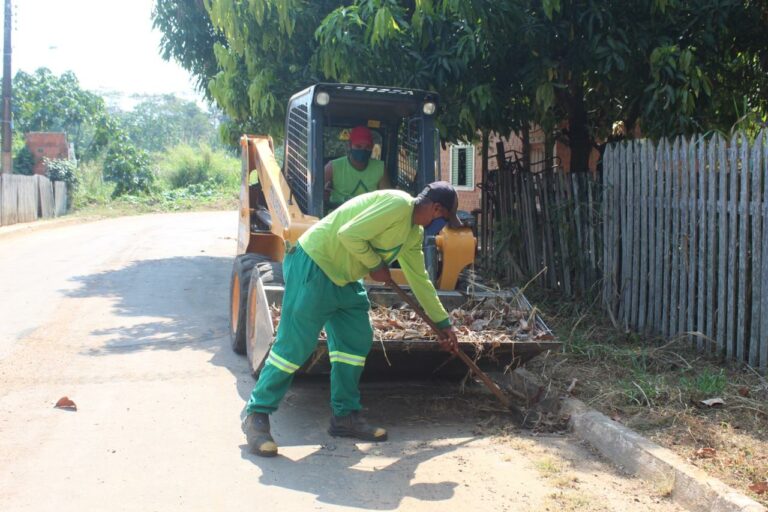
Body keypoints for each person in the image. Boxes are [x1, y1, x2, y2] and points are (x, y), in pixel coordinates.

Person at [242, 181, 463, 457]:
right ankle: (257, 414)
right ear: (436, 209)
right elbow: (349, 234)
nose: (441, 228)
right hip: (316, 264)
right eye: (444, 220)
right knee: (294, 347)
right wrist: (374, 265)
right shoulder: (397, 205)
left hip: (345, 278)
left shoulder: (412, 235)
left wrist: (443, 324)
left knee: (355, 339)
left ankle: (344, 416)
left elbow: (420, 279)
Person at [324, 125, 392, 209]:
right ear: (350, 145)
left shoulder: (380, 168)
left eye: (367, 147)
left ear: (372, 148)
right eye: (358, 146)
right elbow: (317, 193)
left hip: (368, 215)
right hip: (339, 214)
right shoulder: (333, 167)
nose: (363, 150)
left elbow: (386, 199)